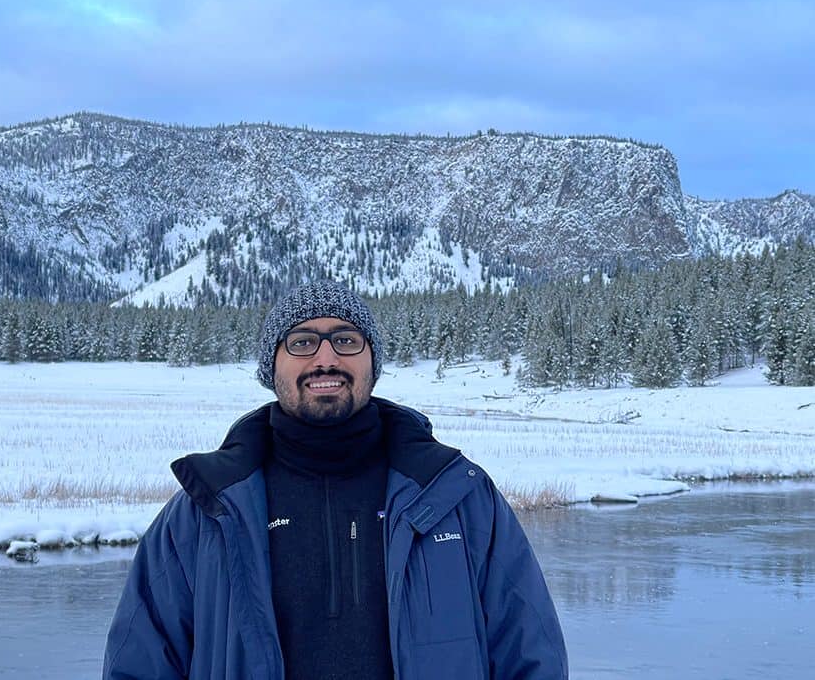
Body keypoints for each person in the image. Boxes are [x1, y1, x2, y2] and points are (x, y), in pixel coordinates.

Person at [104, 280, 568, 679]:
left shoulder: (459, 498)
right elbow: (139, 663)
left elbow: (530, 654)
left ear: (371, 363)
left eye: (346, 340)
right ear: (272, 367)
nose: (326, 357)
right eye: (302, 342)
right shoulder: (203, 513)